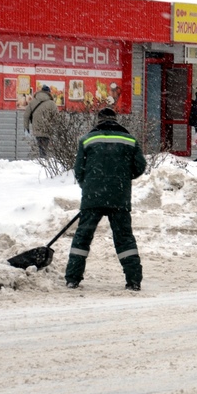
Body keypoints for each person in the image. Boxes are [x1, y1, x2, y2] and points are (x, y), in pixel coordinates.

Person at [65, 107, 147, 291]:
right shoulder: (129, 141)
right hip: (119, 196)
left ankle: (73, 278)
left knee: (82, 238)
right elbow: (140, 166)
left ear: (98, 120)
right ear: (116, 120)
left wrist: (89, 185)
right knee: (124, 238)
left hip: (92, 197)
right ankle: (133, 281)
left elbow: (79, 170)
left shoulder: (87, 140)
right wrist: (123, 178)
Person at [23, 85, 57, 158]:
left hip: (36, 128)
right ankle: (43, 160)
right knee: (44, 146)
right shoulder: (52, 103)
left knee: (41, 145)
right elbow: (57, 117)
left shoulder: (33, 102)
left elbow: (26, 115)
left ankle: (42, 158)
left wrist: (26, 128)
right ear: (49, 93)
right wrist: (56, 129)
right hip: (48, 129)